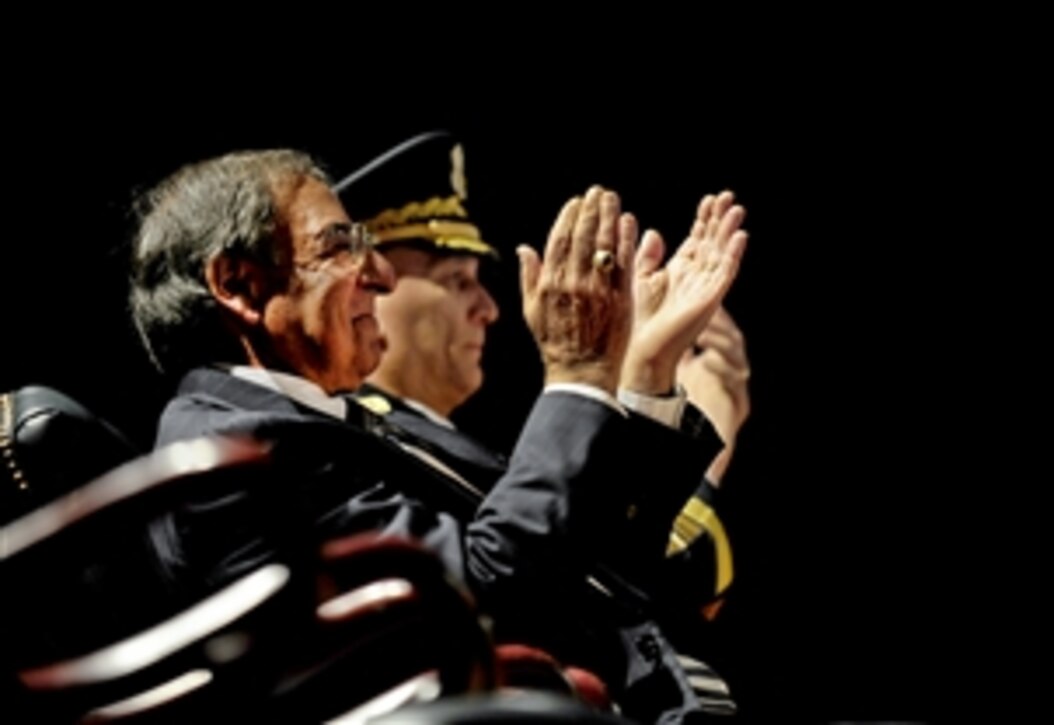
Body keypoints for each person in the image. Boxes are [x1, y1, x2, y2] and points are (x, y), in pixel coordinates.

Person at [129, 148, 745, 721]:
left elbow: (595, 570)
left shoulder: (337, 418)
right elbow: (490, 604)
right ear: (239, 284)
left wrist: (647, 376)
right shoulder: (233, 454)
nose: (381, 275)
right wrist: (578, 374)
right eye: (340, 245)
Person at [336, 131, 750, 616]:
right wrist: (701, 431)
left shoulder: (442, 439)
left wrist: (649, 376)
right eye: (456, 280)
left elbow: (608, 576)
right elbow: (624, 592)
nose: (489, 309)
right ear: (368, 287)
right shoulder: (348, 446)